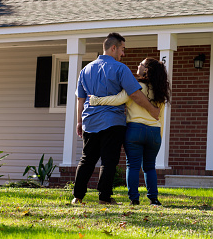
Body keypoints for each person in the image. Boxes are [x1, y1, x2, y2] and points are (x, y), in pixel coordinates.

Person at [72, 33, 160, 205]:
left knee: (87, 159)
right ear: (113, 48)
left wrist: (79, 121)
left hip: (90, 121)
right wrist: (152, 110)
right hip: (113, 122)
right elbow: (135, 93)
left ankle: (77, 196)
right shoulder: (120, 69)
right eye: (122, 49)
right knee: (109, 160)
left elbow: (80, 98)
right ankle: (104, 197)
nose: (123, 54)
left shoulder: (85, 69)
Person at [90, 57, 170, 206]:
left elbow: (117, 99)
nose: (137, 65)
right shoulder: (160, 91)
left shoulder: (135, 86)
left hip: (135, 130)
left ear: (146, 70)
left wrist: (96, 100)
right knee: (150, 166)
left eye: (141, 64)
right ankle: (154, 199)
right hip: (154, 132)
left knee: (132, 166)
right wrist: (159, 136)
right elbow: (161, 117)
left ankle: (134, 199)